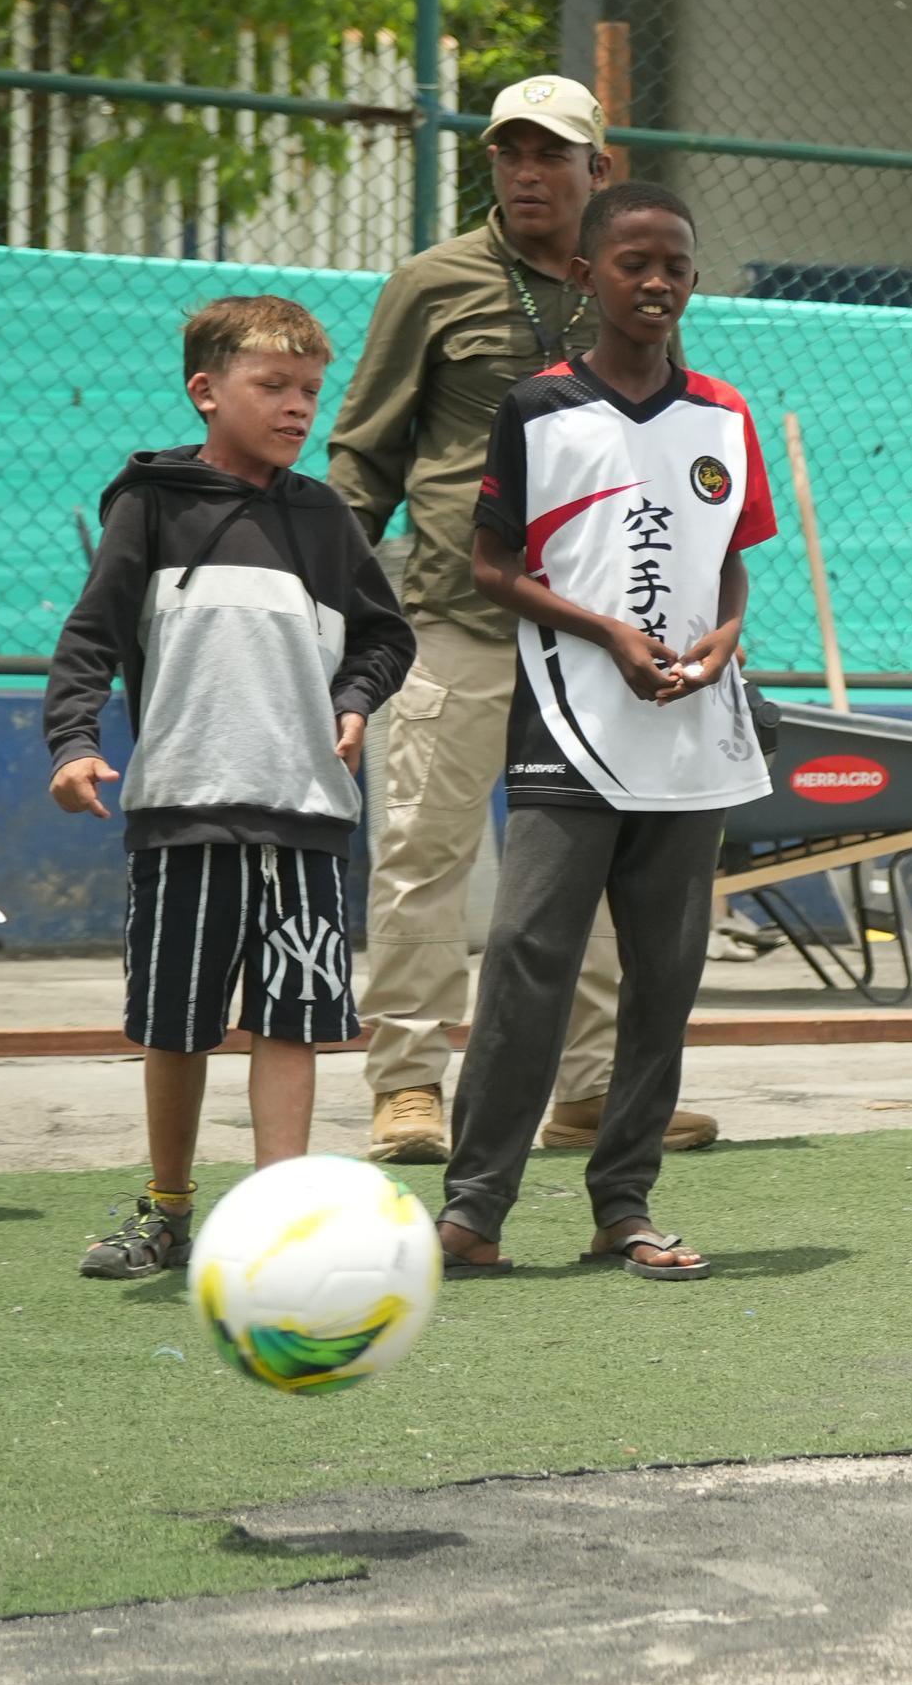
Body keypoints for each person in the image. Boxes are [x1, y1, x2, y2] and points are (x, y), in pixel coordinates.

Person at [328, 74, 695, 1168]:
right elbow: (364, 453)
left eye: (551, 153)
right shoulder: (431, 284)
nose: (528, 173)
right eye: (509, 154)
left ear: (600, 167)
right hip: (452, 612)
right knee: (422, 853)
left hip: (596, 636)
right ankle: (405, 1084)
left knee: (588, 870)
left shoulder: (633, 279)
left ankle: (588, 1089)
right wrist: (333, 608)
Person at [45, 296, 416, 1278]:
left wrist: (356, 696)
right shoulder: (153, 504)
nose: (297, 407)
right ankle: (168, 1210)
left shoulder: (326, 518)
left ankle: (275, 1222)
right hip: (183, 810)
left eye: (309, 390)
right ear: (206, 390)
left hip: (306, 815)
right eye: (272, 386)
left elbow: (387, 633)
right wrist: (72, 739)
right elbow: (89, 635)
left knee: (293, 1016)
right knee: (177, 1021)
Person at [438, 183, 768, 1281]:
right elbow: (490, 570)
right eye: (633, 262)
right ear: (586, 276)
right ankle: (474, 1207)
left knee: (665, 976)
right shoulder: (537, 409)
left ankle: (622, 1204)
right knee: (530, 956)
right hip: (568, 732)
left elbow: (730, 555)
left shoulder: (723, 412)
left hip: (690, 738)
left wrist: (722, 636)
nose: (658, 280)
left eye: (675, 260)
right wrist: (608, 632)